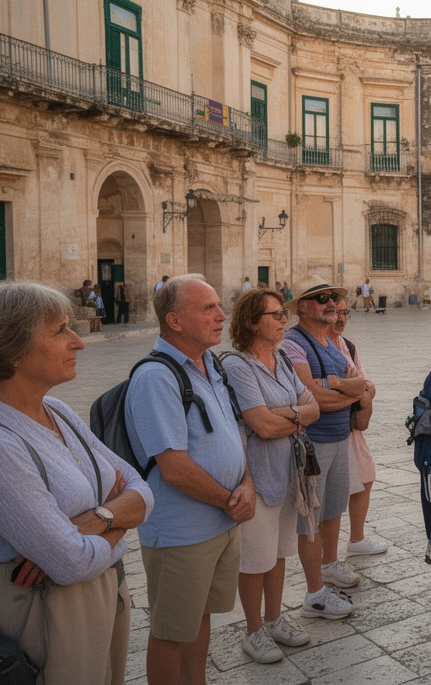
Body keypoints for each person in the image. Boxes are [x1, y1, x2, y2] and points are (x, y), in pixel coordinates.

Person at [0, 281, 152, 685]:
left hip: (105, 589)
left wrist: (92, 522)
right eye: (60, 331)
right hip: (38, 608)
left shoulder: (55, 409)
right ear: (11, 350)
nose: (80, 342)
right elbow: (72, 562)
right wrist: (117, 518)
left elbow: (143, 491)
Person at [126, 275, 252, 685]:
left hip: (220, 522)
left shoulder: (210, 364)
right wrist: (229, 499)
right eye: (208, 308)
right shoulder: (156, 377)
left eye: (219, 305)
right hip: (183, 531)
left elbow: (234, 432)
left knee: (198, 619)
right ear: (174, 321)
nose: (221, 316)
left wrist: (246, 483)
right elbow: (173, 467)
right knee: (170, 632)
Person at [222, 288, 321, 664]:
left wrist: (289, 415)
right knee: (254, 558)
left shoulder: (280, 360)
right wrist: (295, 416)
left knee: (279, 553)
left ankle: (275, 618)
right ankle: (253, 630)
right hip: (256, 474)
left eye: (284, 314)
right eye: (276, 314)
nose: (284, 320)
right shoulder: (237, 366)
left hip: (289, 471)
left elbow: (312, 408)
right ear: (250, 322)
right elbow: (260, 425)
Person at [278, 276, 367, 609]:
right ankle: (315, 593)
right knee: (311, 521)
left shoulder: (332, 342)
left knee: (333, 509)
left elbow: (361, 385)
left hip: (340, 438)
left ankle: (329, 565)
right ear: (302, 307)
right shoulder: (293, 343)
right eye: (321, 298)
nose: (331, 303)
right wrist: (342, 390)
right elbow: (312, 399)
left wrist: (334, 386)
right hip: (312, 444)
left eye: (332, 297)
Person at [331, 296, 389, 557]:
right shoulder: (310, 346)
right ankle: (325, 558)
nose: (341, 318)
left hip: (351, 425)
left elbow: (366, 384)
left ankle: (356, 538)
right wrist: (356, 390)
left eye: (345, 312)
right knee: (329, 493)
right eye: (335, 312)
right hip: (328, 427)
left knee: (366, 475)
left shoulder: (347, 345)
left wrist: (356, 390)